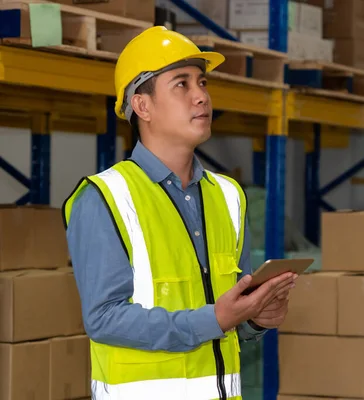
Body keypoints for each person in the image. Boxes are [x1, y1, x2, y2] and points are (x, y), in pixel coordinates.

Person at [62, 26, 296, 400]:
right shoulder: (104, 197)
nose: (201, 96)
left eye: (202, 82)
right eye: (181, 84)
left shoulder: (229, 197)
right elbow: (103, 319)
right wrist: (214, 320)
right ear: (143, 106)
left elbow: (227, 314)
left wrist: (254, 318)